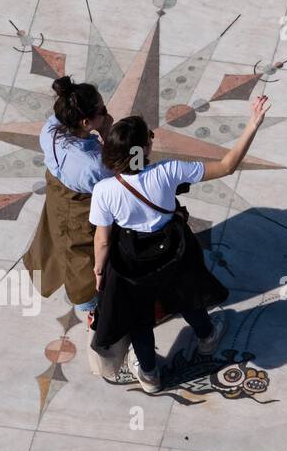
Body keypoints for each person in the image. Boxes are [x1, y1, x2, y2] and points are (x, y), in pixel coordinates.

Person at [89, 95, 270, 393]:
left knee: (139, 319)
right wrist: (252, 124)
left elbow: (103, 239)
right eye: (148, 137)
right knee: (187, 297)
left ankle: (149, 375)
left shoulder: (105, 190)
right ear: (143, 149)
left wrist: (99, 271)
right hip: (172, 251)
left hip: (132, 261)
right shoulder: (168, 172)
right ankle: (207, 336)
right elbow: (227, 166)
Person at [23, 76, 112, 325]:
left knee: (55, 238)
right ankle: (91, 306)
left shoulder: (51, 129)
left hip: (58, 196)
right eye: (102, 111)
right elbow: (129, 176)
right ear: (86, 122)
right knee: (82, 256)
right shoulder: (93, 165)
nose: (106, 114)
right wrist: (109, 134)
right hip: (81, 208)